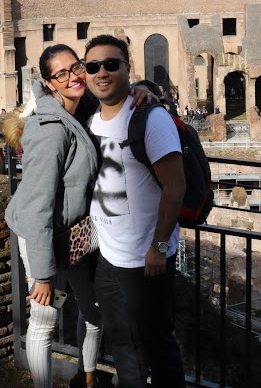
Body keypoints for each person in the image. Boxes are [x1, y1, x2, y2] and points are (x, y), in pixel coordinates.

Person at [4, 44, 156, 388]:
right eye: (61, 73)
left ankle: (87, 378)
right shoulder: (49, 130)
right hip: (44, 236)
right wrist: (43, 275)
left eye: (76, 67)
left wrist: (142, 90)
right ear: (49, 83)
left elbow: (111, 92)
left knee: (93, 311)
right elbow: (37, 207)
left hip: (77, 234)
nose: (73, 76)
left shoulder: (81, 106)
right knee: (44, 319)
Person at [83, 34, 186, 388]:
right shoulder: (91, 118)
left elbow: (176, 187)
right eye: (93, 66)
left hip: (145, 258)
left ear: (127, 68)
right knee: (123, 343)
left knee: (158, 345)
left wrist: (159, 246)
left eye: (111, 64)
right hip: (107, 255)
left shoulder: (150, 118)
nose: (102, 72)